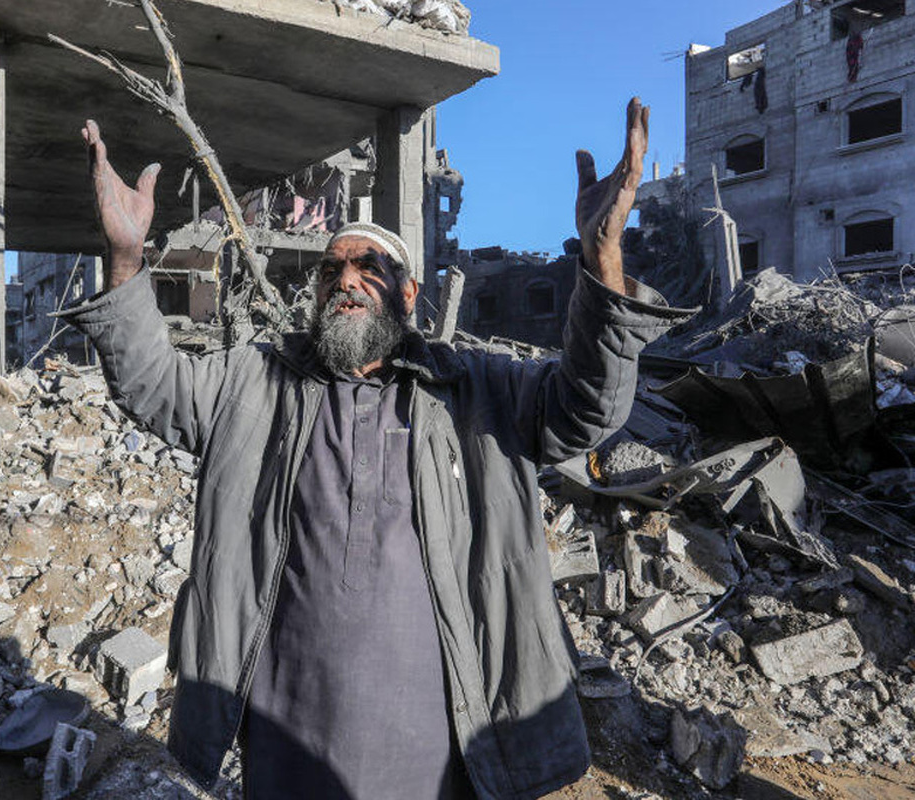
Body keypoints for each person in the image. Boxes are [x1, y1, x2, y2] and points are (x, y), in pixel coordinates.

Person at [57, 99, 693, 799]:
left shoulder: (476, 390)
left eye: (369, 266)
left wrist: (603, 259)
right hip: (285, 740)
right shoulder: (256, 382)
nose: (346, 279)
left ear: (409, 293)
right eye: (331, 270)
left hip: (440, 747)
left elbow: (588, 407)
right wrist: (126, 260)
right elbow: (152, 385)